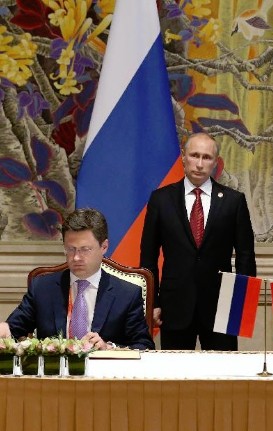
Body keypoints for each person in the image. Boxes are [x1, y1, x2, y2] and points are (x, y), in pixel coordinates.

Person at [140, 132, 256, 350]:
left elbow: (246, 257)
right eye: (194, 156)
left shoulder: (234, 201)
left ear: (215, 162)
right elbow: (148, 256)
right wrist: (152, 303)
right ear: (183, 157)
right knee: (176, 380)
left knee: (225, 379)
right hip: (173, 307)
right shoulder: (161, 200)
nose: (200, 164)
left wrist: (241, 306)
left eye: (207, 157)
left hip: (222, 309)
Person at [0, 208, 154, 350]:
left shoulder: (127, 294)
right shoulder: (42, 288)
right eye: (70, 249)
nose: (76, 257)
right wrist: (5, 330)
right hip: (55, 376)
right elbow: (12, 329)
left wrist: (108, 348)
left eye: (85, 249)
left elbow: (144, 346)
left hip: (104, 375)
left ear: (104, 246)